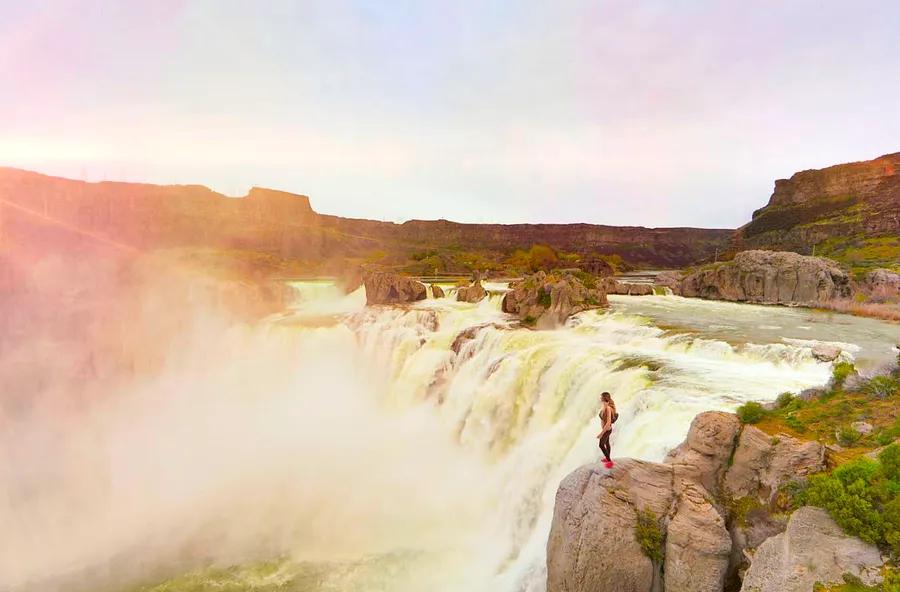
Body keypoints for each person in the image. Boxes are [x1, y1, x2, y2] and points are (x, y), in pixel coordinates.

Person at [597, 392, 617, 468]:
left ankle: (609, 461)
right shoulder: (604, 407)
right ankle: (607, 458)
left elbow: (608, 422)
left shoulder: (608, 408)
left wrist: (601, 433)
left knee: (601, 445)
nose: (600, 399)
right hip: (605, 430)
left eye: (601, 398)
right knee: (607, 443)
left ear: (605, 399)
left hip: (607, 430)